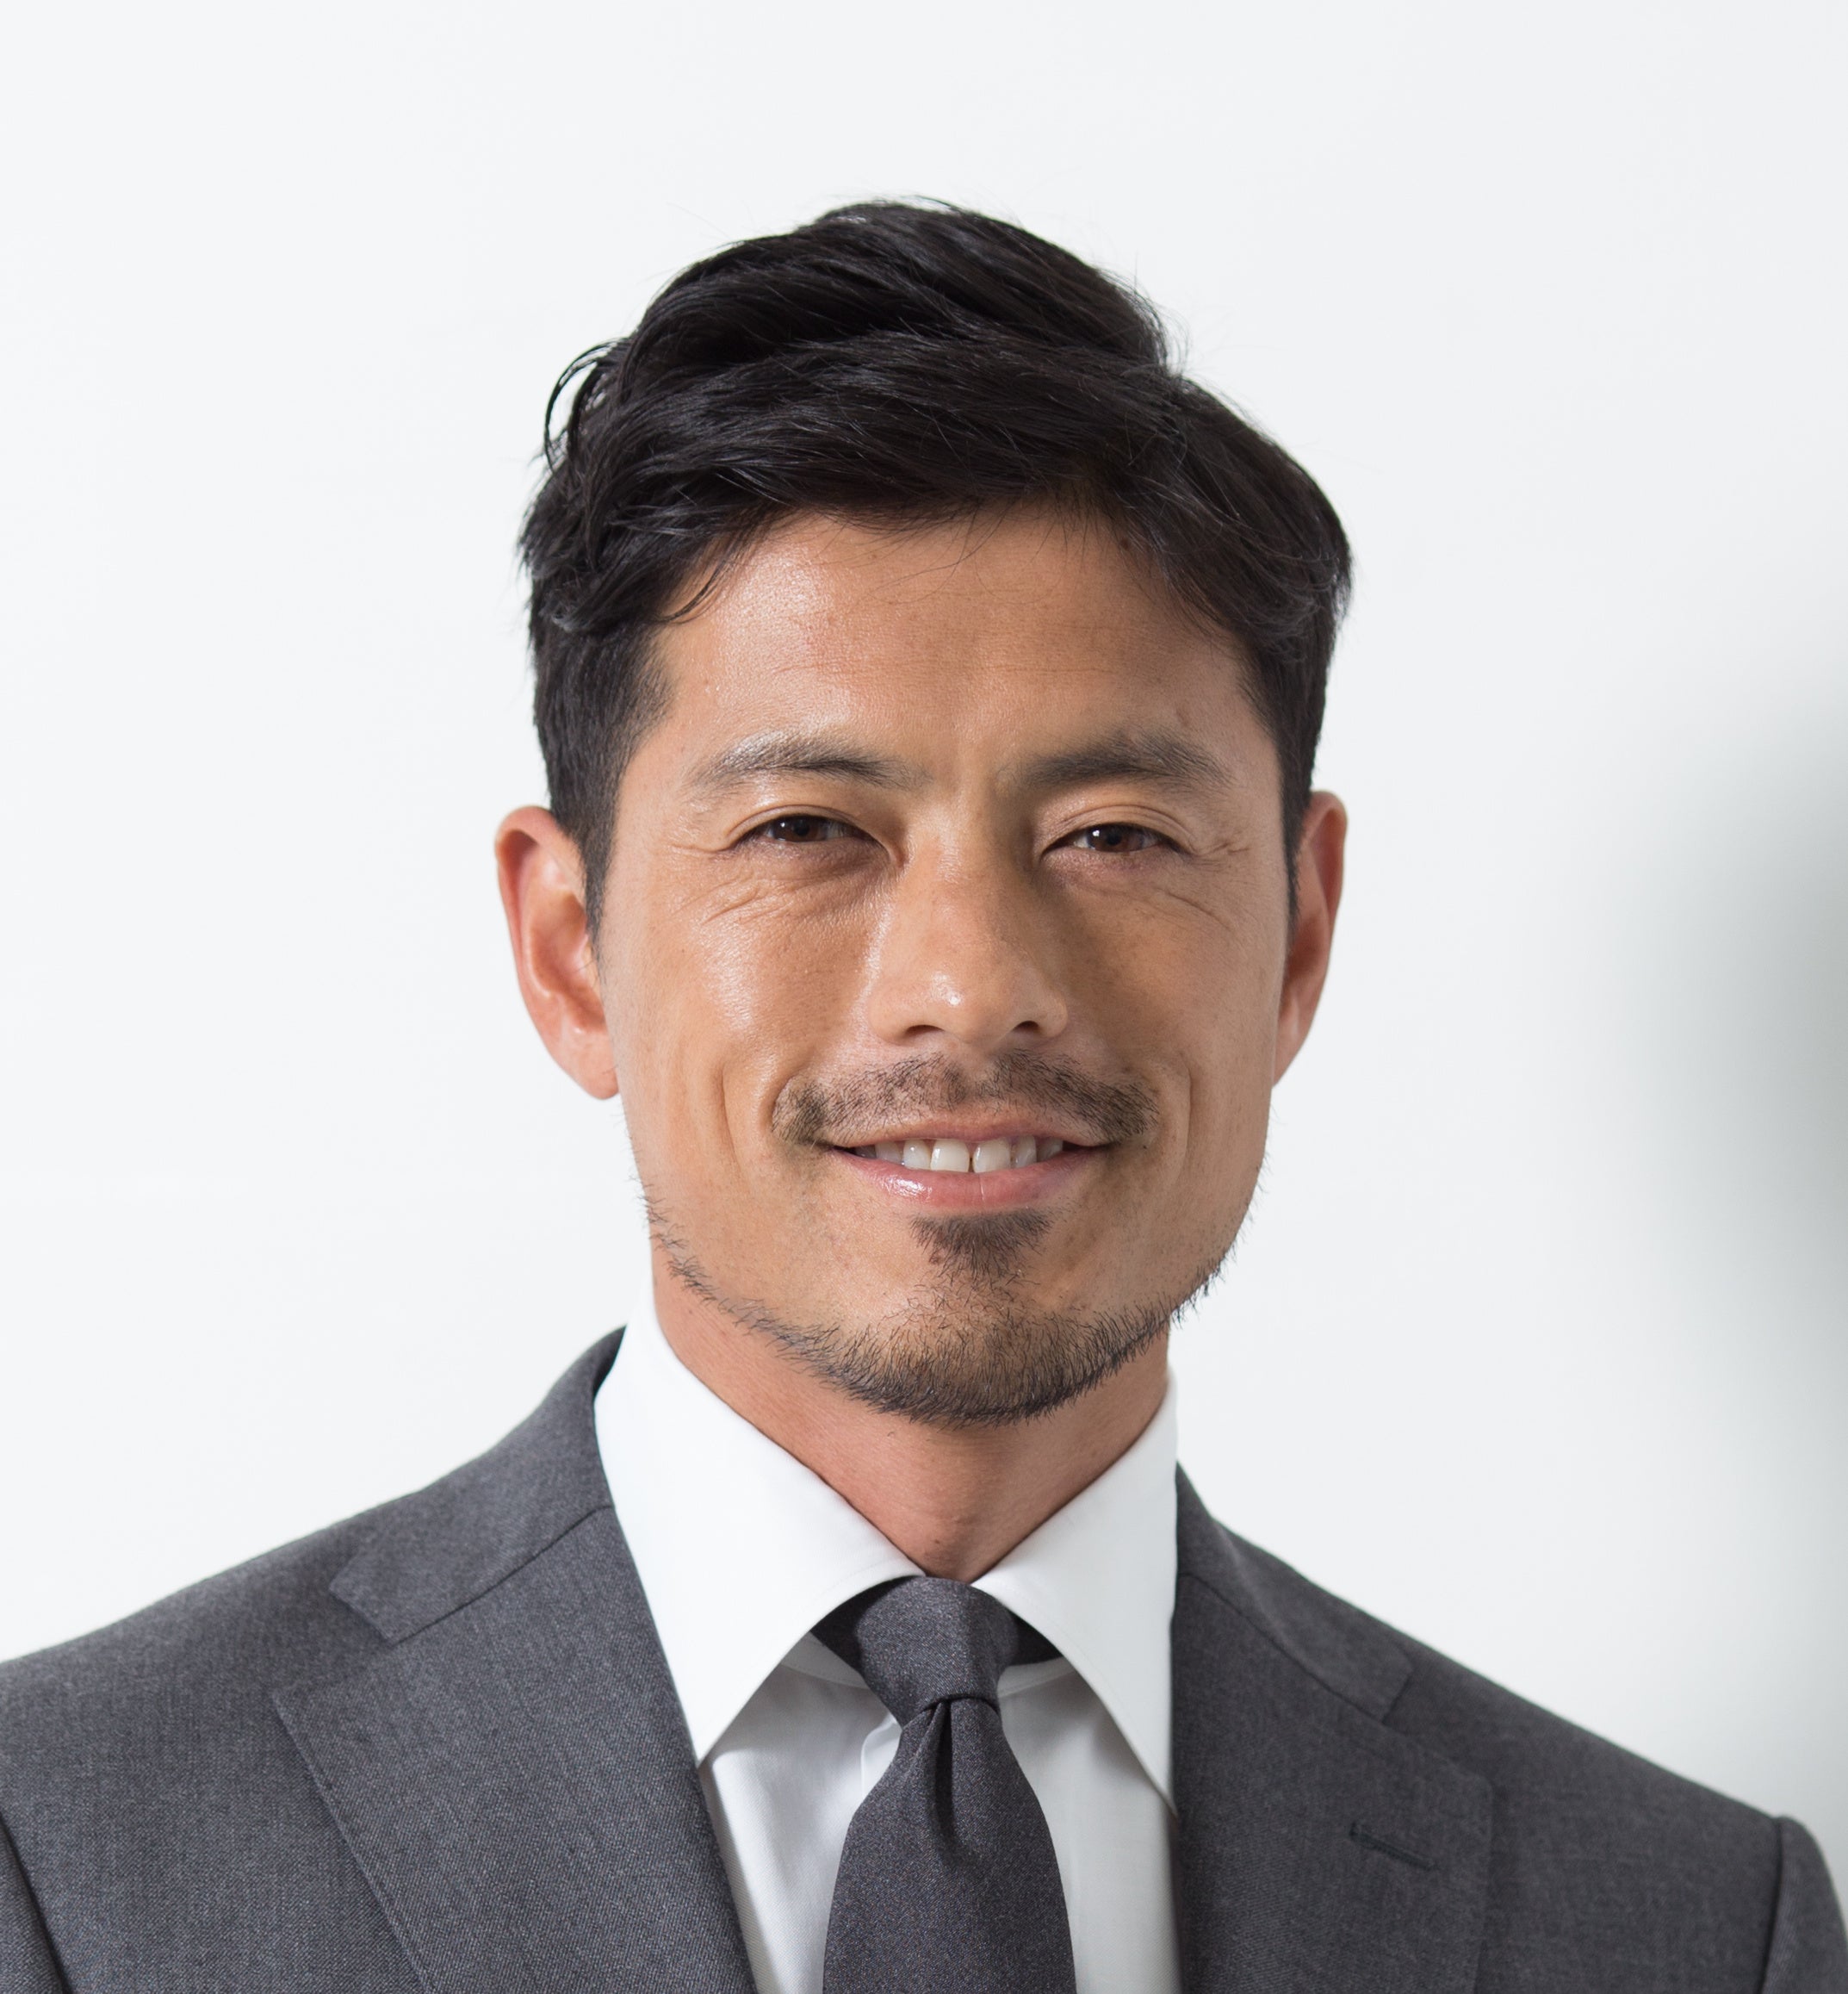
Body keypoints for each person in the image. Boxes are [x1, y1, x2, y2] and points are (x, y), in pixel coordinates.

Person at [0, 202, 1840, 1994]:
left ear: (1296, 934)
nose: (969, 985)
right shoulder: (70, 1855)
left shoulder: (1686, 1928)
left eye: (1112, 835)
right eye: (809, 830)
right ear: (570, 952)